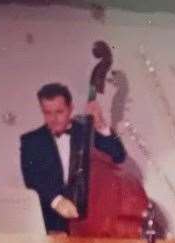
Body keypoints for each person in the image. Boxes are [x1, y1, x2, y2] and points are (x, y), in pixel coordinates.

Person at [20, 82, 126, 233]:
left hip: (90, 222)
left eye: (59, 112)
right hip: (50, 223)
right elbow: (32, 179)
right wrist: (56, 201)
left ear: (70, 108)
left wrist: (101, 124)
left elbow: (118, 155)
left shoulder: (85, 131)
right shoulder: (31, 141)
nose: (53, 118)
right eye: (47, 113)